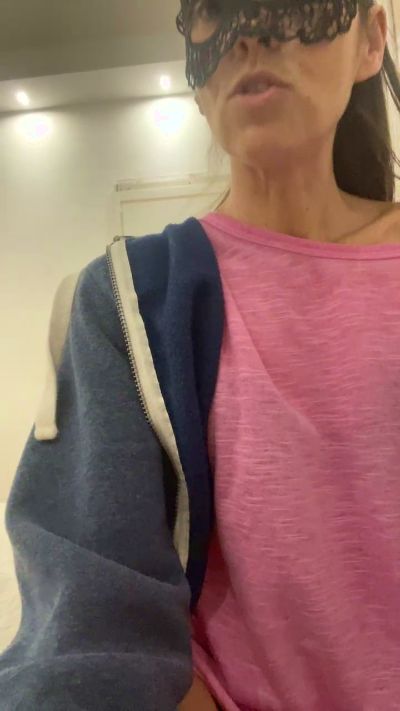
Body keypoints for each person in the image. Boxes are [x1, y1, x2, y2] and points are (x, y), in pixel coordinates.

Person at [1, 0, 400, 708]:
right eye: (216, 9)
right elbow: (95, 633)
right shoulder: (133, 304)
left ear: (371, 40)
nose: (251, 34)